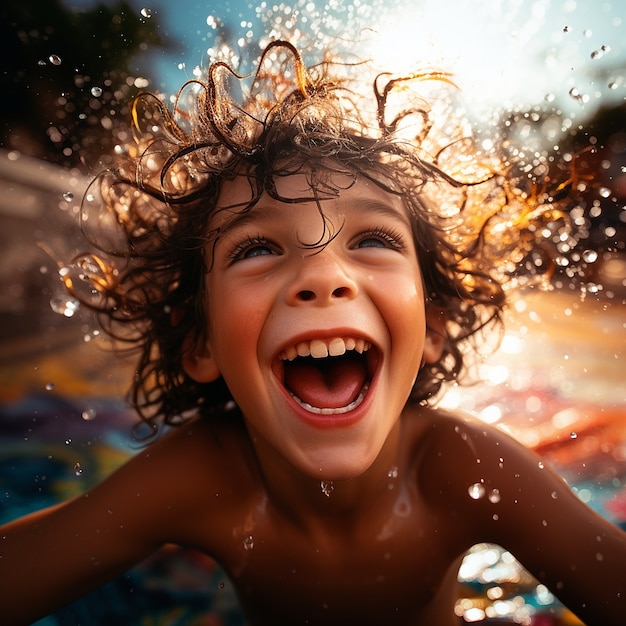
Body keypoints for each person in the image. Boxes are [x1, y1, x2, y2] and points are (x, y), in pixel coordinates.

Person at [1, 39, 624, 626]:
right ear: (202, 342)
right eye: (257, 247)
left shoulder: (469, 471)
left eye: (374, 240)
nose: (324, 277)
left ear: (432, 325)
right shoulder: (202, 480)